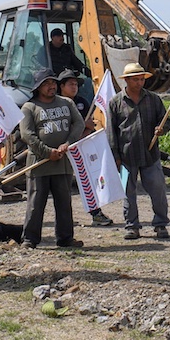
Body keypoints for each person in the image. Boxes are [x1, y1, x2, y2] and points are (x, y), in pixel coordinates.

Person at [19, 68, 85, 249]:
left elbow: (78, 123)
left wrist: (68, 143)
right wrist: (47, 152)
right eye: (46, 83)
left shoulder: (67, 103)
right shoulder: (29, 107)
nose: (51, 86)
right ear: (38, 87)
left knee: (64, 203)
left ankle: (65, 239)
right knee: (35, 203)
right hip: (39, 164)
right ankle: (30, 239)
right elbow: (27, 135)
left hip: (62, 163)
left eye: (53, 83)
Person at [107, 62, 170, 240]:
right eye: (135, 79)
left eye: (142, 79)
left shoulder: (153, 99)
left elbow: (166, 121)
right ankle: (132, 226)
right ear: (126, 80)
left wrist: (162, 128)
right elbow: (111, 132)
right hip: (126, 156)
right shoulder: (115, 103)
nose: (139, 82)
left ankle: (160, 224)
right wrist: (115, 157)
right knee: (128, 193)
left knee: (158, 189)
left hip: (150, 154)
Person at [57, 69, 113, 227]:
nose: (74, 87)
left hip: (81, 149)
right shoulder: (56, 105)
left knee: (88, 181)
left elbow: (89, 123)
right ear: (61, 86)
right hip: (62, 150)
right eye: (70, 84)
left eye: (76, 84)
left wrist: (82, 134)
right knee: (62, 186)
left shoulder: (82, 102)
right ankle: (64, 218)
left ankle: (96, 213)